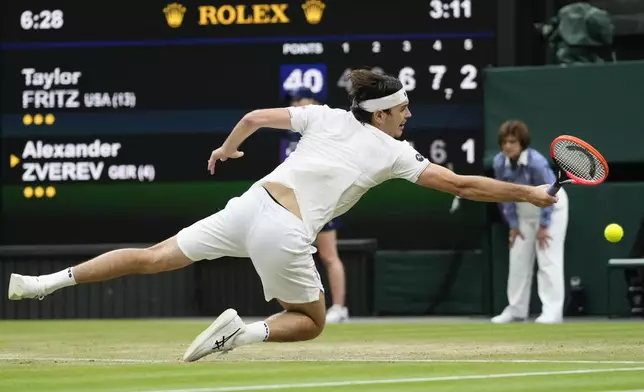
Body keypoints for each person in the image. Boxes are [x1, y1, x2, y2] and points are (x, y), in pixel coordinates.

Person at [7, 70, 558, 362]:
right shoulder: (394, 152)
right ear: (382, 112)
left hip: (249, 203)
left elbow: (250, 117)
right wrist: (530, 195)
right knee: (312, 321)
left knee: (152, 258)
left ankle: (40, 284)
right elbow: (461, 183)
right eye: (404, 109)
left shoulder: (319, 117)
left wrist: (225, 151)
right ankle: (239, 335)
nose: (409, 115)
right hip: (287, 230)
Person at [491, 120, 569, 324]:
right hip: (522, 212)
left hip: (552, 209)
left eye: (512, 141)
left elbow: (552, 193)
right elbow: (503, 195)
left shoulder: (536, 163)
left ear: (522, 143)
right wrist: (513, 225)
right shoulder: (499, 162)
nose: (507, 146)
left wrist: (544, 226)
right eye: (504, 142)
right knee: (517, 259)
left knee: (548, 259)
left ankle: (552, 312)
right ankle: (516, 310)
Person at [287, 87, 349, 324]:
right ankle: (299, 306)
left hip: (323, 201)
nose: (298, 107)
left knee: (329, 255)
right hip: (296, 203)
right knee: (291, 254)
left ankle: (340, 308)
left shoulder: (327, 129)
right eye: (296, 104)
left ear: (314, 104)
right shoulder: (292, 136)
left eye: (303, 103)